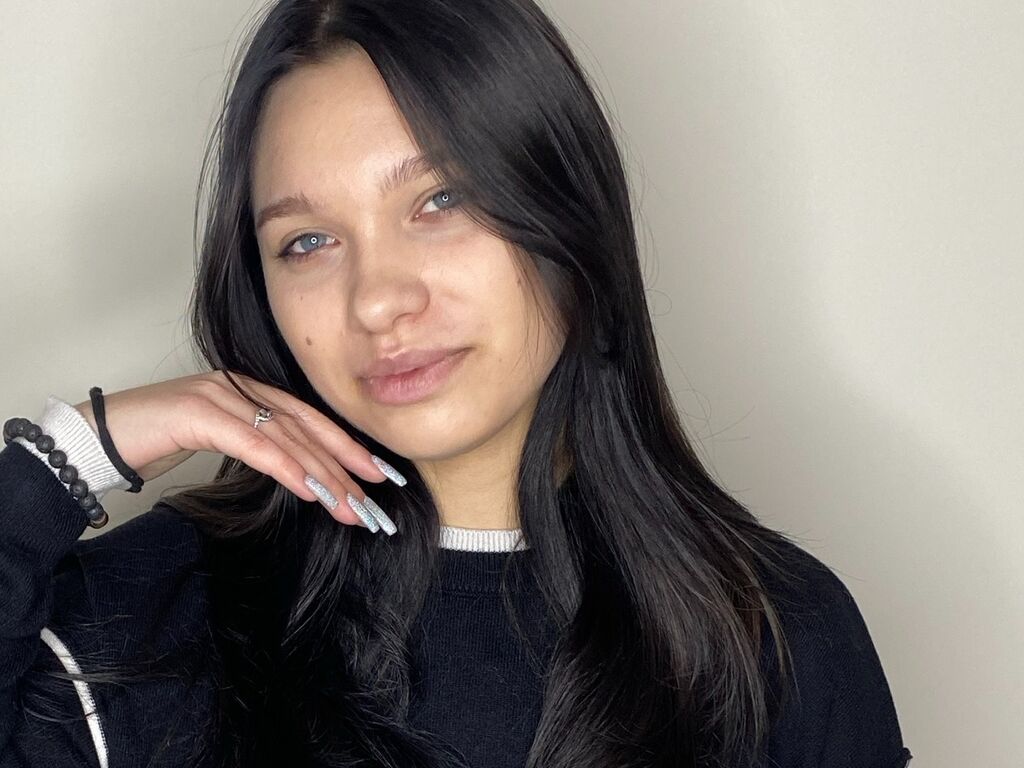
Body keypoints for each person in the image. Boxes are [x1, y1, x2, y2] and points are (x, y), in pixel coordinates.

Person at [0, 0, 913, 766]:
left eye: (442, 200)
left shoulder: (777, 634)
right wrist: (66, 458)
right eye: (307, 241)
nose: (378, 300)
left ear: (565, 208)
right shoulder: (143, 620)